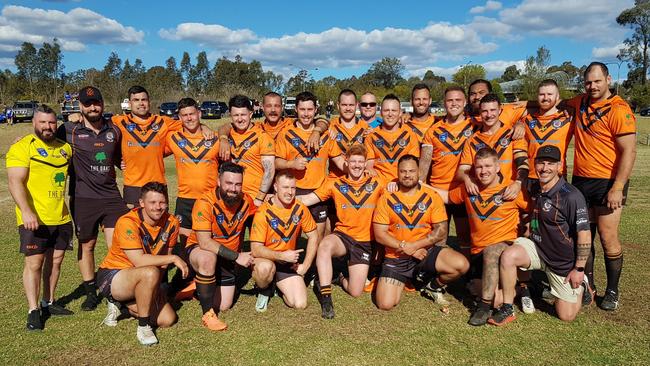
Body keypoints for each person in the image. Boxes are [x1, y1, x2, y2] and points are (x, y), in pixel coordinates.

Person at [565, 62, 637, 310]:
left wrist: (618, 187)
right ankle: (589, 285)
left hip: (608, 182)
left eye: (597, 81)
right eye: (588, 82)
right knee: (584, 236)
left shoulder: (619, 109)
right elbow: (550, 102)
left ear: (608, 79)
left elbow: (629, 151)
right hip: (581, 181)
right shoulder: (579, 102)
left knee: (607, 237)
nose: (592, 86)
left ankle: (613, 290)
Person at [494, 146, 591, 325]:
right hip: (538, 249)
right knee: (509, 256)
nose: (545, 168)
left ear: (560, 166)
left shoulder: (571, 196)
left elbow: (584, 235)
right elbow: (537, 216)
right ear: (535, 164)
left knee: (566, 315)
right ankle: (508, 308)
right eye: (541, 163)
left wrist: (578, 269)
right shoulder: (538, 188)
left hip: (562, 262)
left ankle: (583, 285)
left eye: (550, 164)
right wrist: (530, 230)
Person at [435, 147, 529, 326]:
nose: (483, 171)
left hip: (503, 249)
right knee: (490, 295)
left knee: (492, 252)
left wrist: (529, 230)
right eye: (479, 167)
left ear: (497, 167)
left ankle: (483, 307)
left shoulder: (511, 190)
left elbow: (533, 211)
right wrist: (417, 184)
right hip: (478, 254)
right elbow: (446, 197)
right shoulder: (469, 189)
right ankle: (515, 288)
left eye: (488, 166)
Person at [56, 86, 129, 311]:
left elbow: (118, 157)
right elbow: (44, 136)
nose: (92, 107)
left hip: (111, 197)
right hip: (83, 198)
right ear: (80, 106)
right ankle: (90, 292)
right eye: (87, 104)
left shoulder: (115, 130)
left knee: (117, 245)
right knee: (87, 245)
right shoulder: (68, 130)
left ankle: (115, 290)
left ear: (102, 104)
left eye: (96, 102)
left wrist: (121, 164)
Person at [7, 104, 74, 331]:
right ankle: (33, 309)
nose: (48, 126)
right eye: (43, 122)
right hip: (34, 218)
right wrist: (26, 211)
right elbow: (15, 182)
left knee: (55, 262)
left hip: (61, 217)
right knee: (35, 263)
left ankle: (49, 302)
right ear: (34, 122)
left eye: (52, 122)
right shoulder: (23, 147)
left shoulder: (65, 148)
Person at [297, 144, 384, 318]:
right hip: (343, 237)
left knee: (355, 291)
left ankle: (339, 277)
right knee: (324, 246)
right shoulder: (335, 184)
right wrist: (282, 196)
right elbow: (307, 199)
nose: (357, 165)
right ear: (346, 162)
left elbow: (397, 193)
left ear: (366, 163)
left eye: (361, 162)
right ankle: (326, 297)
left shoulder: (378, 182)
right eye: (353, 162)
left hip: (364, 242)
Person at [372, 155, 468, 310]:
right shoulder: (387, 198)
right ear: (398, 173)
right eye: (403, 171)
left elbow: (441, 230)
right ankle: (411, 279)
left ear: (419, 173)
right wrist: (405, 247)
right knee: (385, 304)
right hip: (397, 257)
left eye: (411, 171)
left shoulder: (431, 196)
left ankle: (432, 286)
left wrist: (416, 246)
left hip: (425, 252)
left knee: (461, 264)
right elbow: (380, 234)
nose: (407, 175)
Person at [96, 182, 187, 346]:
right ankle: (143, 327)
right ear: (142, 203)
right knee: (150, 271)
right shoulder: (127, 222)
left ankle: (122, 306)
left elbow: (164, 260)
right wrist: (174, 258)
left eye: (162, 202)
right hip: (114, 275)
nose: (158, 207)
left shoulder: (172, 222)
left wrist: (156, 289)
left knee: (168, 319)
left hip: (145, 276)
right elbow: (139, 260)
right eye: (152, 202)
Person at [113, 85, 212, 206]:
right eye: (136, 100)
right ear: (129, 103)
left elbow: (189, 123)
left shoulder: (162, 121)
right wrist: (117, 160)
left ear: (149, 101)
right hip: (133, 186)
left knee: (160, 223)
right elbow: (101, 136)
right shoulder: (118, 122)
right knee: (133, 223)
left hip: (158, 184)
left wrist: (203, 126)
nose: (141, 103)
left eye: (144, 99)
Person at [185, 162, 255, 330]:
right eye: (229, 183)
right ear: (218, 181)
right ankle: (208, 314)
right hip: (200, 250)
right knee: (208, 258)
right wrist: (238, 256)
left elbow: (258, 224)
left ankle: (195, 288)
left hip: (227, 257)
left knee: (224, 305)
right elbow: (204, 242)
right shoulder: (205, 202)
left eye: (238, 184)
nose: (233, 188)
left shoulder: (247, 201)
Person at [275, 91, 345, 239]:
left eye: (309, 109)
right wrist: (291, 164)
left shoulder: (326, 135)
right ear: (296, 109)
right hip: (294, 190)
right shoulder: (286, 133)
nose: (306, 114)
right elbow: (276, 162)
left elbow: (339, 161)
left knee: (317, 237)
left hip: (319, 192)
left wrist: (359, 168)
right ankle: (291, 262)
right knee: (291, 235)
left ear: (316, 110)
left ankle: (312, 263)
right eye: (302, 109)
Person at [249, 170, 320, 312]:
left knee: (300, 304)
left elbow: (314, 235)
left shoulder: (300, 208)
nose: (290, 192)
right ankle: (265, 288)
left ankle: (277, 285)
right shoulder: (263, 212)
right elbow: (256, 248)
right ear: (275, 187)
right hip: (266, 259)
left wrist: (305, 266)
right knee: (264, 270)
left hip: (287, 262)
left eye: (293, 188)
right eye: (285, 187)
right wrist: (281, 256)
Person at [420, 86, 475, 257]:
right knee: (439, 236)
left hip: (463, 189)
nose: (454, 104)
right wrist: (420, 184)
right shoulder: (433, 130)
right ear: (444, 103)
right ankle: (437, 270)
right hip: (438, 190)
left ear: (465, 102)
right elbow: (425, 161)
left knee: (466, 235)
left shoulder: (475, 125)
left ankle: (469, 273)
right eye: (450, 100)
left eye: (458, 100)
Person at [164, 97, 219, 247]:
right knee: (184, 240)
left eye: (192, 114)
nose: (189, 118)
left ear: (199, 114)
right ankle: (185, 269)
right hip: (185, 198)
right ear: (180, 118)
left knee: (210, 239)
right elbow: (152, 152)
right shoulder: (172, 138)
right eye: (185, 115)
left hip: (210, 198)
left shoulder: (214, 138)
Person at [457, 93, 529, 201]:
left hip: (510, 194)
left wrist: (518, 183)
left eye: (493, 110)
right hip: (483, 197)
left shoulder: (513, 134)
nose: (489, 114)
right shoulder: (472, 141)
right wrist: (467, 179)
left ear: (500, 110)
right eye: (485, 111)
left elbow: (523, 163)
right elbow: (462, 171)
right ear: (480, 113)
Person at [521, 79, 574, 191]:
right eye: (541, 94)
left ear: (557, 96)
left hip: (556, 177)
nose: (545, 98)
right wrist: (517, 124)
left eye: (550, 94)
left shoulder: (568, 118)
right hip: (531, 176)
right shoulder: (526, 120)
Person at [226, 94, 275, 207]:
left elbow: (269, 171)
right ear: (230, 115)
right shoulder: (227, 135)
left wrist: (259, 198)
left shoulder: (262, 137)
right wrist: (223, 138)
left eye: (243, 114)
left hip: (254, 200)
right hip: (231, 198)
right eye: (236, 115)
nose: (239, 119)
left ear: (251, 114)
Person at [365, 94, 420, 183]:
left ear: (400, 113)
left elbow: (412, 166)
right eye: (386, 110)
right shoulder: (371, 135)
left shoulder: (410, 135)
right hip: (379, 185)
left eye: (394, 110)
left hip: (403, 184)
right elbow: (369, 165)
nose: (390, 114)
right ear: (381, 112)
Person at [328, 89, 369, 179]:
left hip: (359, 180)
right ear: (338, 106)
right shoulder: (330, 126)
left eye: (351, 105)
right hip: (335, 179)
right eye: (344, 105)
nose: (348, 108)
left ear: (357, 105)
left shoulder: (366, 128)